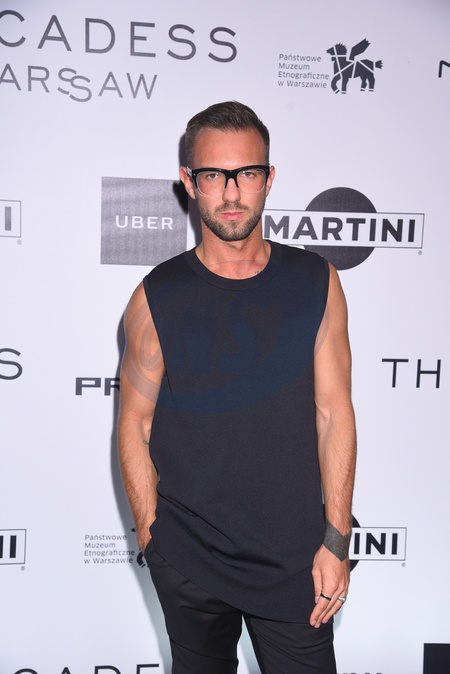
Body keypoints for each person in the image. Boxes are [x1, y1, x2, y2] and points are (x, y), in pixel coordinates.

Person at [118, 101, 356, 674]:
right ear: (188, 182)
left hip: (296, 558)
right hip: (189, 557)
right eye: (213, 175)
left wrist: (336, 540)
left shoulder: (316, 282)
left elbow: (334, 413)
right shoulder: (156, 296)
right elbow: (134, 424)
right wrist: (153, 537)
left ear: (268, 178)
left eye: (246, 173)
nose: (230, 192)